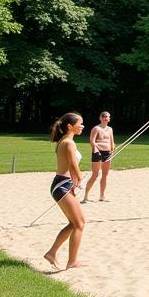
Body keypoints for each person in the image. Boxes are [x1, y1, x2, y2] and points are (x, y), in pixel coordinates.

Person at [44, 112, 86, 270]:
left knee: (76, 223)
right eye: (80, 123)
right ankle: (72, 261)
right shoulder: (69, 142)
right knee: (79, 224)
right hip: (62, 185)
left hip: (63, 185)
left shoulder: (65, 141)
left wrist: (75, 181)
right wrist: (79, 179)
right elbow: (73, 164)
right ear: (70, 126)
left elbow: (71, 165)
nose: (82, 126)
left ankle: (52, 253)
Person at [83, 110, 115, 203]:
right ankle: (86, 196)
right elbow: (92, 141)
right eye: (103, 116)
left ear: (109, 119)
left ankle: (102, 196)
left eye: (107, 117)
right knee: (95, 174)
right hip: (98, 152)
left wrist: (112, 150)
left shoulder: (110, 129)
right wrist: (95, 149)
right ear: (100, 118)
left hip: (107, 153)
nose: (105, 118)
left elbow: (112, 141)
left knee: (105, 175)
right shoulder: (96, 128)